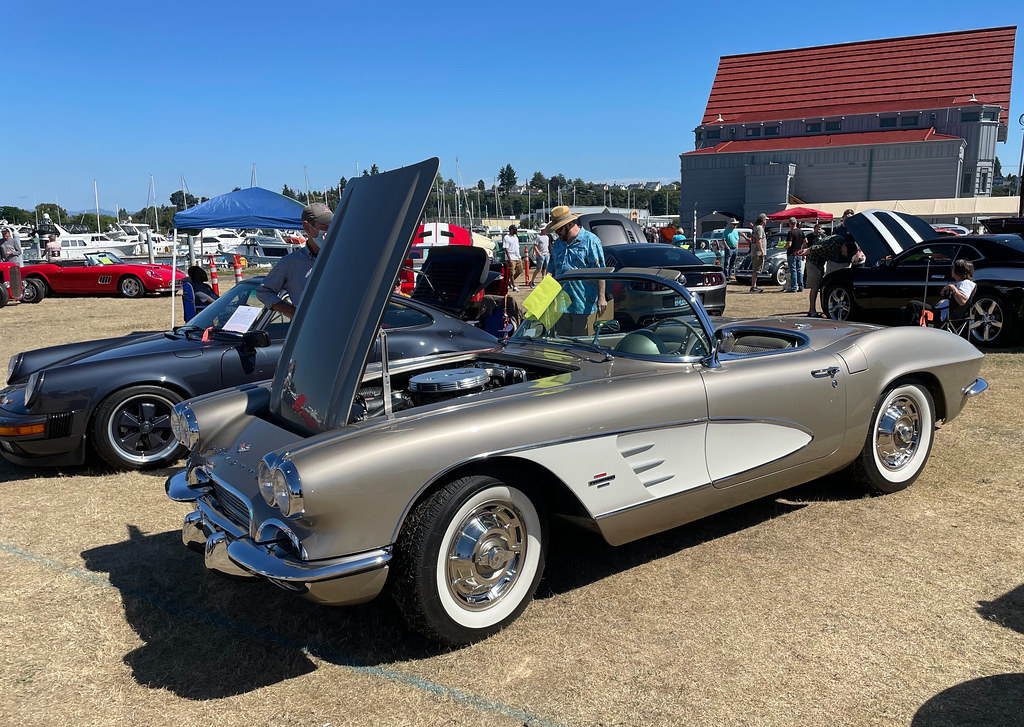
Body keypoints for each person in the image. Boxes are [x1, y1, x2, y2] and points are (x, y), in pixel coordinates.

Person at [255, 202, 333, 318]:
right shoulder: (290, 263)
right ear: (307, 227)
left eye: (332, 226)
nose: (329, 232)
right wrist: (294, 313)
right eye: (324, 228)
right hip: (310, 331)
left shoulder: (343, 257)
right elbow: (264, 291)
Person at [545, 205, 607, 335]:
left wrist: (602, 298)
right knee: (563, 347)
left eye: (559, 229)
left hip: (583, 306)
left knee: (581, 347)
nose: (557, 233)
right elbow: (551, 271)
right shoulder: (557, 244)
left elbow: (600, 271)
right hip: (561, 307)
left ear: (568, 225)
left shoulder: (590, 241)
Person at [899, 259, 976, 325]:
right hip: (940, 310)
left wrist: (952, 287)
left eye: (953, 268)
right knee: (904, 310)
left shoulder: (965, 283)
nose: (951, 270)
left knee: (913, 304)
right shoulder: (964, 283)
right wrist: (945, 301)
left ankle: (905, 332)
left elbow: (962, 301)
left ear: (958, 271)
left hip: (939, 314)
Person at [799, 232, 849, 317]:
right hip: (813, 261)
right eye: (845, 252)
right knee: (815, 286)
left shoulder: (841, 240)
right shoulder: (833, 245)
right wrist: (806, 251)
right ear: (844, 246)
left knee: (819, 285)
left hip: (820, 262)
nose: (844, 254)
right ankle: (812, 312)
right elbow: (816, 248)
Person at [783, 217, 806, 292]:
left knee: (793, 271)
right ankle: (801, 286)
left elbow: (789, 244)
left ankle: (793, 287)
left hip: (792, 253)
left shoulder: (791, 233)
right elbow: (806, 241)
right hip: (799, 253)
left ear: (790, 224)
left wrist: (784, 246)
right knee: (799, 270)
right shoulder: (801, 232)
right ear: (796, 223)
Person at [748, 214, 767, 292]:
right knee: (756, 270)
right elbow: (759, 241)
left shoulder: (755, 227)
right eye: (765, 220)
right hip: (757, 253)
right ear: (762, 220)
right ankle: (753, 286)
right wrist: (762, 251)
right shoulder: (759, 228)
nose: (766, 221)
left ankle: (754, 285)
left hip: (754, 252)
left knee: (756, 270)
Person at [502, 225, 523, 291]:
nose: (516, 231)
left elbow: (517, 248)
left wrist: (519, 256)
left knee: (520, 270)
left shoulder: (515, 237)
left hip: (517, 257)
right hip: (511, 258)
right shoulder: (506, 237)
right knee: (511, 272)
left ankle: (510, 282)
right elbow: (506, 249)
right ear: (511, 230)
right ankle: (513, 286)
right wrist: (509, 259)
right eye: (515, 229)